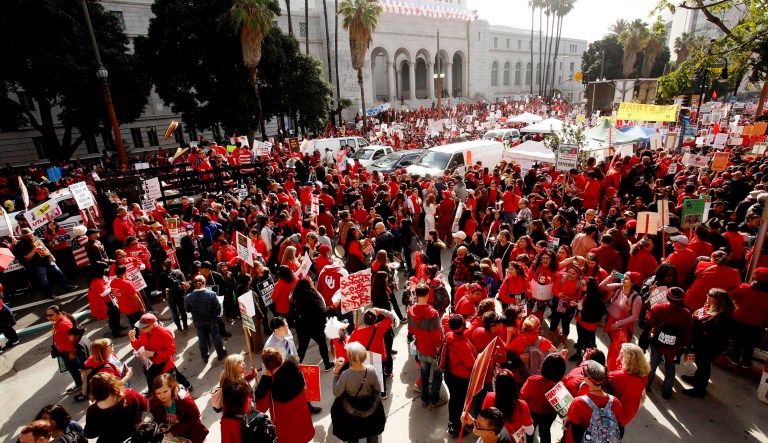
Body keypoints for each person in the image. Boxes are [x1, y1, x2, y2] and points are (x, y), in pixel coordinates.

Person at [253, 348, 315, 442]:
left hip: (285, 420)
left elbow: (261, 407)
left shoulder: (268, 379)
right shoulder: (291, 361)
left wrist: (265, 377)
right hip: (301, 409)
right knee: (303, 434)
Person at [683, 288, 734, 398]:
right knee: (700, 363)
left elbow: (708, 329)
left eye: (709, 295)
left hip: (708, 346)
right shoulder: (709, 308)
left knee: (704, 366)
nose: (707, 296)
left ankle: (699, 390)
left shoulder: (721, 317)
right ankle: (696, 379)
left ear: (717, 300)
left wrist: (696, 320)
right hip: (700, 344)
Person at [331, 342, 386, 443]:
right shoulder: (371, 370)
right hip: (370, 408)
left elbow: (337, 392)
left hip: (351, 411)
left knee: (353, 435)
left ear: (350, 358)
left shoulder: (345, 375)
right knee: (372, 432)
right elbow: (377, 389)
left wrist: (335, 373)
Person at [645, 287, 692, 399]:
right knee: (670, 367)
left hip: (657, 342)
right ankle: (667, 391)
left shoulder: (658, 308)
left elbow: (651, 322)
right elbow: (688, 331)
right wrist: (686, 345)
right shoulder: (686, 314)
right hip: (675, 346)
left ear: (667, 296)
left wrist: (648, 311)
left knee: (652, 364)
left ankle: (646, 385)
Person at [563, 360, 626, 443]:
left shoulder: (578, 402)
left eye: (582, 373)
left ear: (587, 379)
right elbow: (620, 428)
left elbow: (576, 432)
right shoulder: (616, 402)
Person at [128, 313, 192, 391]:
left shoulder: (164, 333)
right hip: (151, 364)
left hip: (164, 365)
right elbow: (139, 346)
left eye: (143, 327)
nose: (140, 329)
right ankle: (187, 385)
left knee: (170, 386)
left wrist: (154, 353)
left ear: (151, 325)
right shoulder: (144, 332)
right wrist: (133, 339)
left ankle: (184, 389)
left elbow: (171, 350)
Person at [408, 283, 447, 408]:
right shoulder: (432, 313)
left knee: (424, 374)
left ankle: (424, 400)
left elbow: (411, 330)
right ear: (428, 294)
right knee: (437, 374)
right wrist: (439, 348)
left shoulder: (410, 310)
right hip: (433, 351)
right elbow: (436, 335)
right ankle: (434, 400)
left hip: (421, 349)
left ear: (417, 294)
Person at [13, 227, 77, 299]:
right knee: (43, 280)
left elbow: (44, 247)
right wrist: (34, 248)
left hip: (47, 261)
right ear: (24, 236)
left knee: (59, 273)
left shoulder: (36, 238)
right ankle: (50, 294)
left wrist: (51, 255)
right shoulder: (20, 246)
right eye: (29, 235)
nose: (32, 236)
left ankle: (67, 286)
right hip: (37, 265)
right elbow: (27, 257)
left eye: (31, 234)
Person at [84, 373, 148, 443]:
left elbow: (90, 434)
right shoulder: (130, 394)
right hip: (136, 436)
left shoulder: (93, 411)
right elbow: (145, 406)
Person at [599, 271, 642, 371]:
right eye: (623, 277)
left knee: (617, 349)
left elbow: (635, 316)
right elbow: (602, 286)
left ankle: (614, 368)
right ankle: (611, 365)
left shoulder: (636, 298)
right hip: (610, 321)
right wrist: (610, 276)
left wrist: (619, 323)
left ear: (633, 283)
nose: (622, 279)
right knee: (612, 344)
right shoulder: (618, 286)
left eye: (626, 279)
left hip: (621, 326)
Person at [726, 267, 768, 369]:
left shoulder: (745, 288)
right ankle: (746, 361)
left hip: (740, 319)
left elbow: (729, 295)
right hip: (759, 323)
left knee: (738, 339)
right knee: (751, 343)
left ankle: (735, 357)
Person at [443, 314, 478, 436]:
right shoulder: (463, 345)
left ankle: (452, 422)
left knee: (453, 399)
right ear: (462, 327)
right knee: (460, 403)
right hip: (461, 379)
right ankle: (457, 428)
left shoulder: (449, 335)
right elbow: (471, 364)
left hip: (449, 374)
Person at [520, 353, 566, 443]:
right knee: (545, 432)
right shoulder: (561, 383)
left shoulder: (533, 381)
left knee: (529, 432)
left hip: (533, 413)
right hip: (550, 414)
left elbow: (523, 395)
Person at [149, 373, 208, 443]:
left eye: (165, 391)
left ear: (172, 387)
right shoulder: (154, 401)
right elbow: (156, 417)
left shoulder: (184, 400)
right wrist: (162, 425)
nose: (162, 396)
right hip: (172, 437)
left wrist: (174, 432)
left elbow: (194, 418)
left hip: (192, 435)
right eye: (158, 393)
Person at [349, 307, 396, 394]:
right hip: (380, 358)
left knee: (368, 375)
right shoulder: (380, 327)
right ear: (375, 320)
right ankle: (383, 392)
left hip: (365, 359)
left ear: (364, 320)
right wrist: (380, 310)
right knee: (380, 375)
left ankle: (371, 390)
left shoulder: (356, 332)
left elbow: (349, 345)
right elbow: (392, 316)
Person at [289, 278, 334, 371]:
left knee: (302, 349)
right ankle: (327, 364)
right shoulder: (312, 297)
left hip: (303, 327)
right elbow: (322, 311)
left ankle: (295, 367)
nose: (312, 283)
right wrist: (332, 308)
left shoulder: (295, 297)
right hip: (316, 326)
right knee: (322, 345)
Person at [185, 274, 227, 363]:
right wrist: (216, 315)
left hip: (198, 321)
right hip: (211, 319)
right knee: (215, 336)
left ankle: (205, 356)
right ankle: (220, 353)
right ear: (204, 282)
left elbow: (187, 310)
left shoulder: (189, 297)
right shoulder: (211, 294)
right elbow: (218, 307)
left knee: (202, 338)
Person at [482, 369, 534, 439]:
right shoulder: (522, 405)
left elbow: (483, 419)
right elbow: (530, 431)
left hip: (493, 438)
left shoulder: (489, 396)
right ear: (513, 385)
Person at [608, 343, 650, 427]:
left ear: (626, 359)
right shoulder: (643, 376)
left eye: (620, 354)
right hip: (627, 416)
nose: (618, 356)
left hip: (612, 417)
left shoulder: (617, 376)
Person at [46, 306, 83, 395]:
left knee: (73, 368)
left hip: (68, 351)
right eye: (47, 316)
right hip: (63, 349)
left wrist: (72, 352)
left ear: (59, 313)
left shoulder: (64, 324)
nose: (49, 318)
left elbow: (72, 339)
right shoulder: (59, 321)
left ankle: (80, 384)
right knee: (75, 367)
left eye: (51, 315)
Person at [109, 264, 146, 333]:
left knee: (132, 323)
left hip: (124, 308)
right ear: (125, 271)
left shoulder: (113, 282)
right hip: (133, 308)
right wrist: (142, 307)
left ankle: (135, 337)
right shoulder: (126, 283)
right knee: (141, 325)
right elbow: (135, 297)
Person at [157, 258, 190, 334]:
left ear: (163, 266)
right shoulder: (178, 272)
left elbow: (159, 288)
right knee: (182, 310)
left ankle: (179, 329)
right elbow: (183, 282)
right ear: (171, 264)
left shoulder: (161, 275)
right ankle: (185, 327)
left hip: (169, 296)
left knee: (174, 312)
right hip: (180, 293)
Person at [0, 285, 20, 353]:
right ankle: (14, 340)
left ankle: (13, 340)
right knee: (7, 328)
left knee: (6, 328)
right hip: (6, 313)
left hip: (3, 315)